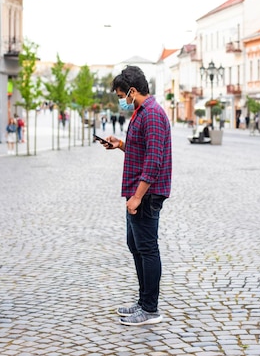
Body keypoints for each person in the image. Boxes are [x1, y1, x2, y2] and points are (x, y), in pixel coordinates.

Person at [102, 66, 172, 326]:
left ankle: (151, 309)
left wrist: (137, 197)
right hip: (137, 192)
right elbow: (141, 151)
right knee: (137, 247)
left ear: (132, 91)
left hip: (146, 194)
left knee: (147, 248)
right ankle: (143, 302)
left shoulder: (152, 114)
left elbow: (153, 162)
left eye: (122, 94)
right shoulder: (142, 113)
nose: (122, 100)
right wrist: (120, 144)